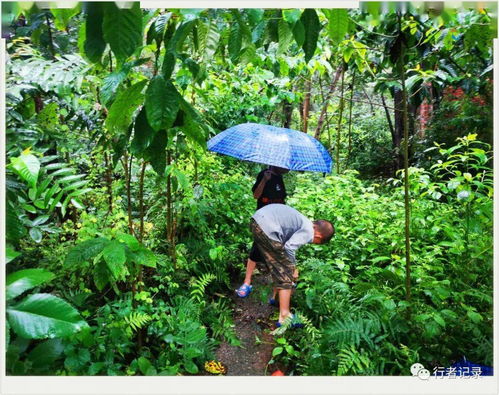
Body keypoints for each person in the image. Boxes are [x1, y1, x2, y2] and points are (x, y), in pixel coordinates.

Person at [249, 203, 334, 327]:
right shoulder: (309, 230)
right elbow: (289, 247)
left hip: (256, 221)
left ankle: (275, 298)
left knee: (278, 265)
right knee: (286, 271)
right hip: (268, 228)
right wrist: (293, 268)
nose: (312, 243)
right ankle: (284, 316)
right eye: (317, 243)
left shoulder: (302, 221)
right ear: (318, 236)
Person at [235, 166, 288, 298]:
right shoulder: (264, 174)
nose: (288, 169)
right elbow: (256, 195)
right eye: (285, 166)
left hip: (277, 219)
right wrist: (264, 180)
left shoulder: (280, 177)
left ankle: (276, 293)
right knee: (257, 247)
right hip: (263, 217)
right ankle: (247, 283)